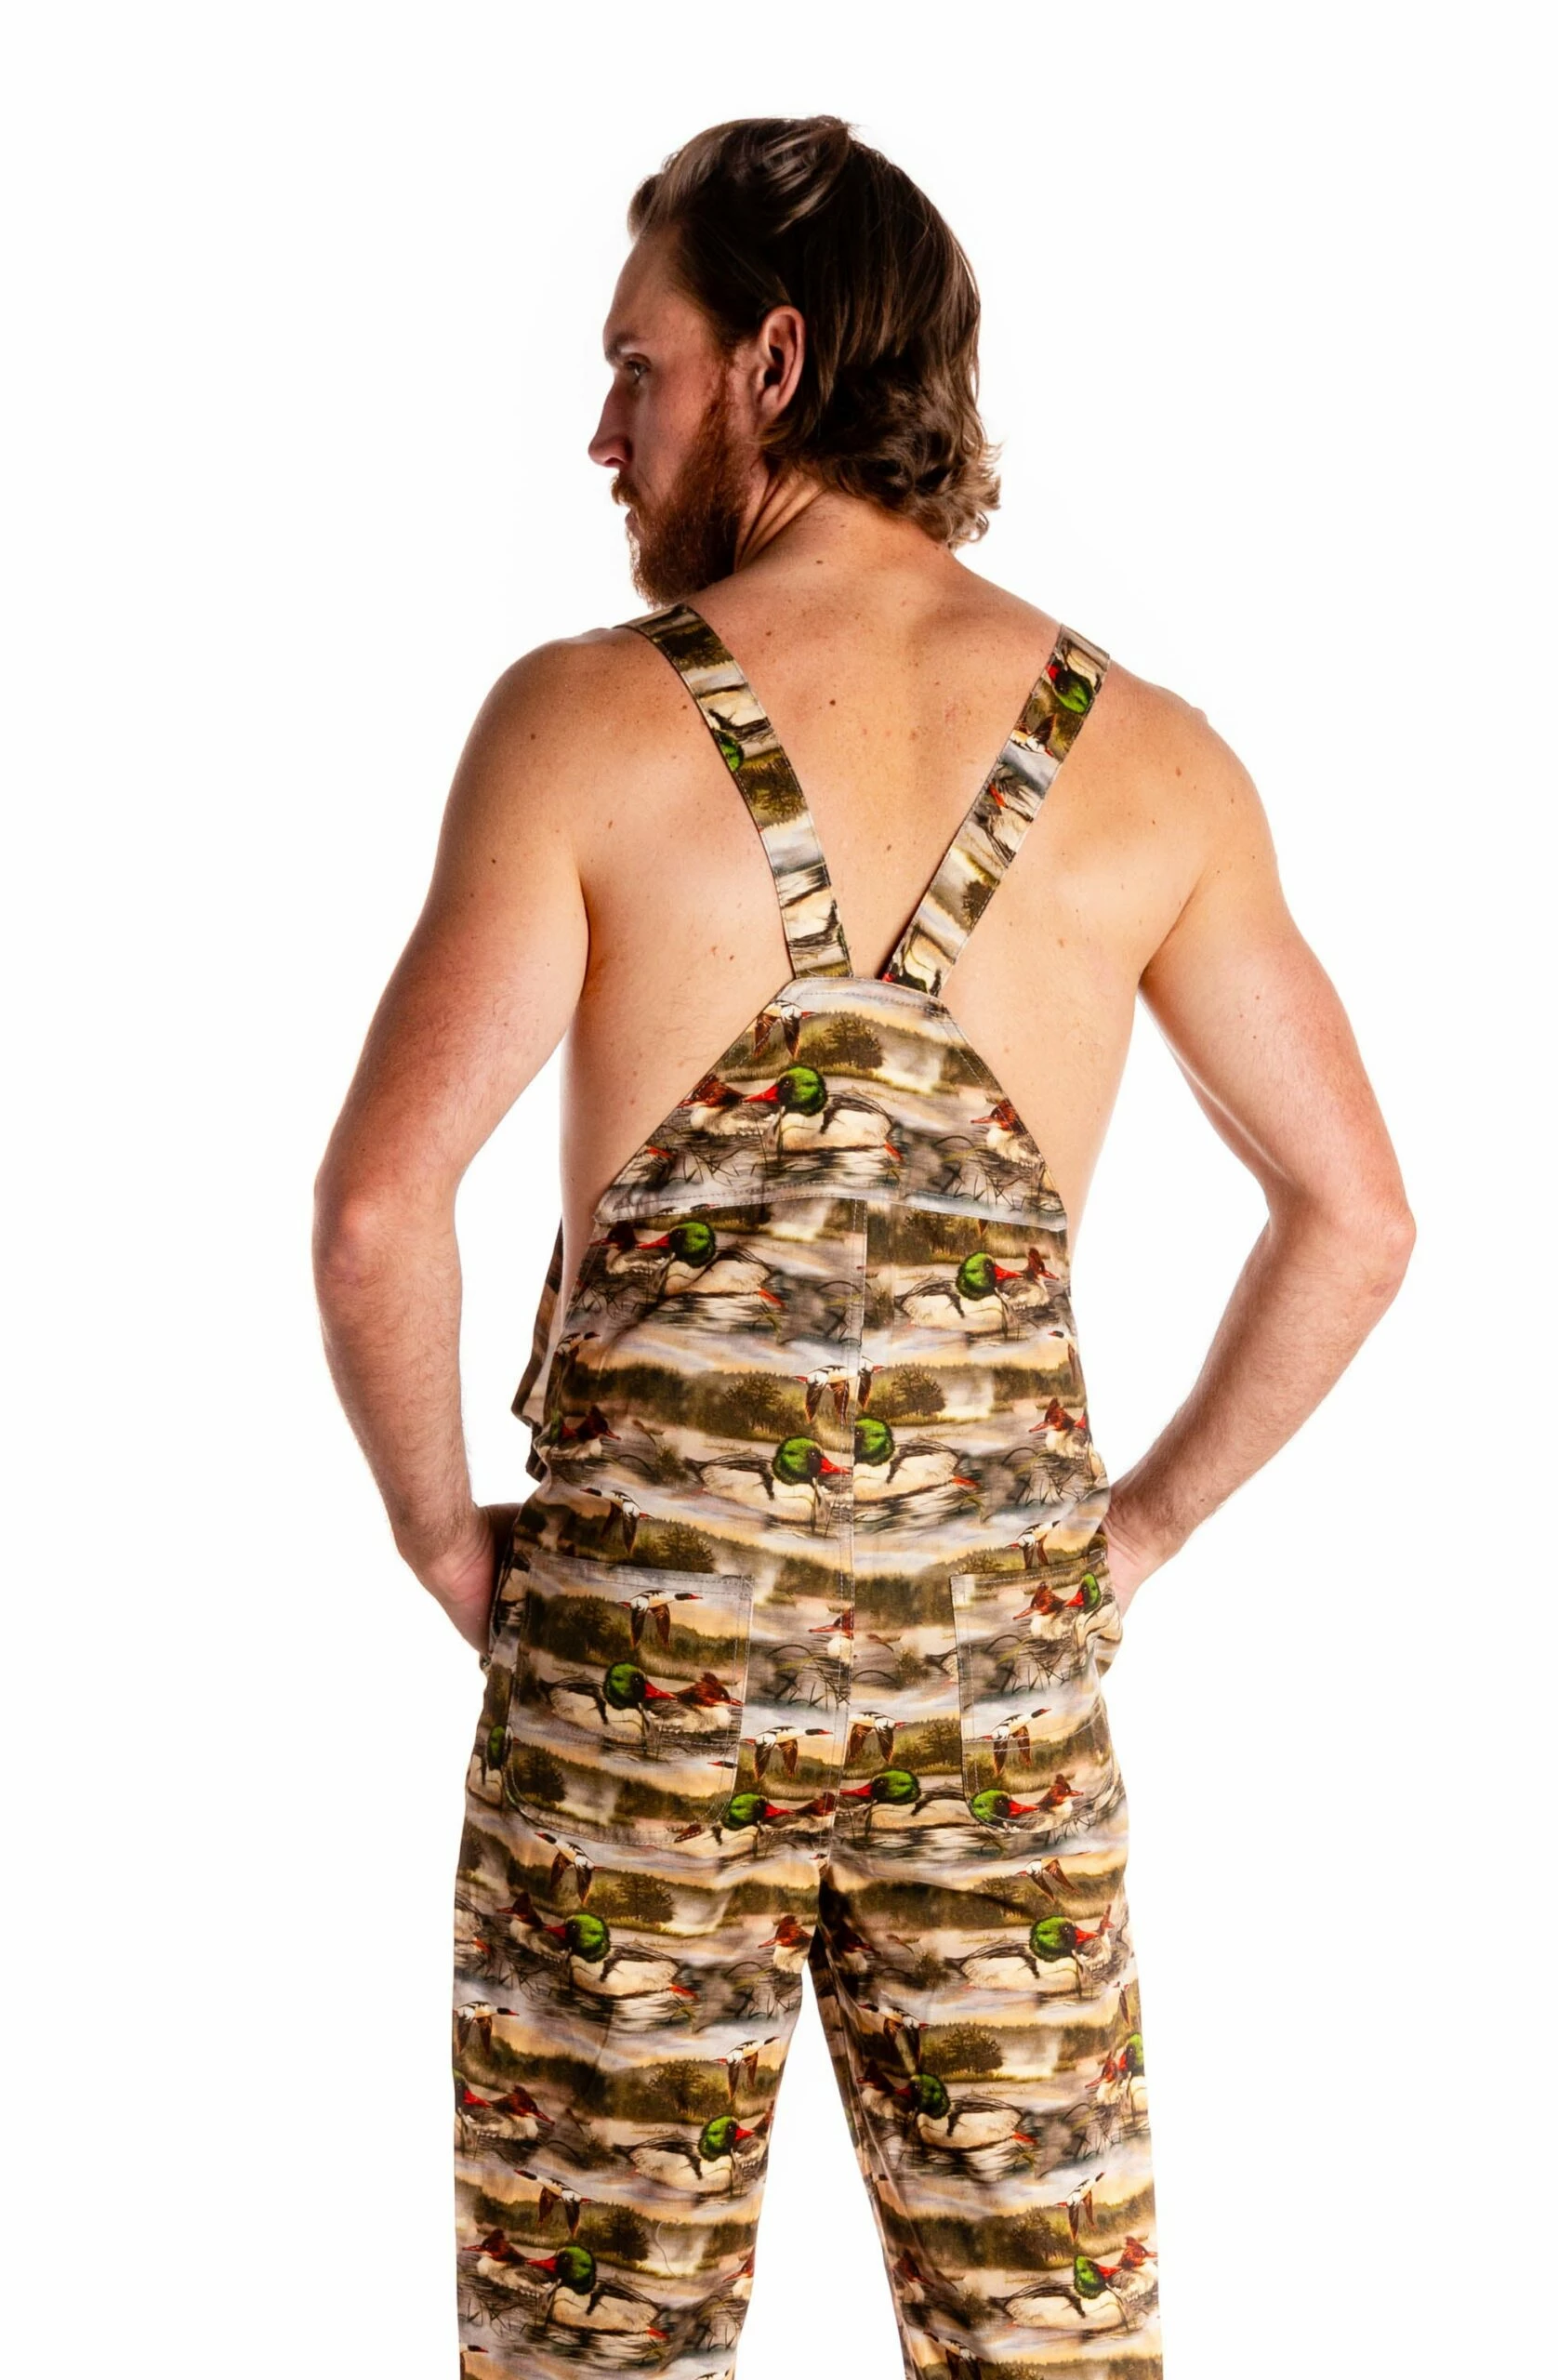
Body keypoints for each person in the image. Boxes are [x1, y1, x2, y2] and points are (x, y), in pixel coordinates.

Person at [313, 114, 1414, 2380]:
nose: (601, 431)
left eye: (638, 366)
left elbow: (373, 1208)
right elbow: (1357, 1211)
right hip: (993, 1696)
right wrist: (1124, 1533)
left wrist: (442, 1532)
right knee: (1045, 2349)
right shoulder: (1155, 768)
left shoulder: (582, 720)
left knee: (587, 2351)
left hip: (638, 1689)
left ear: (777, 361)